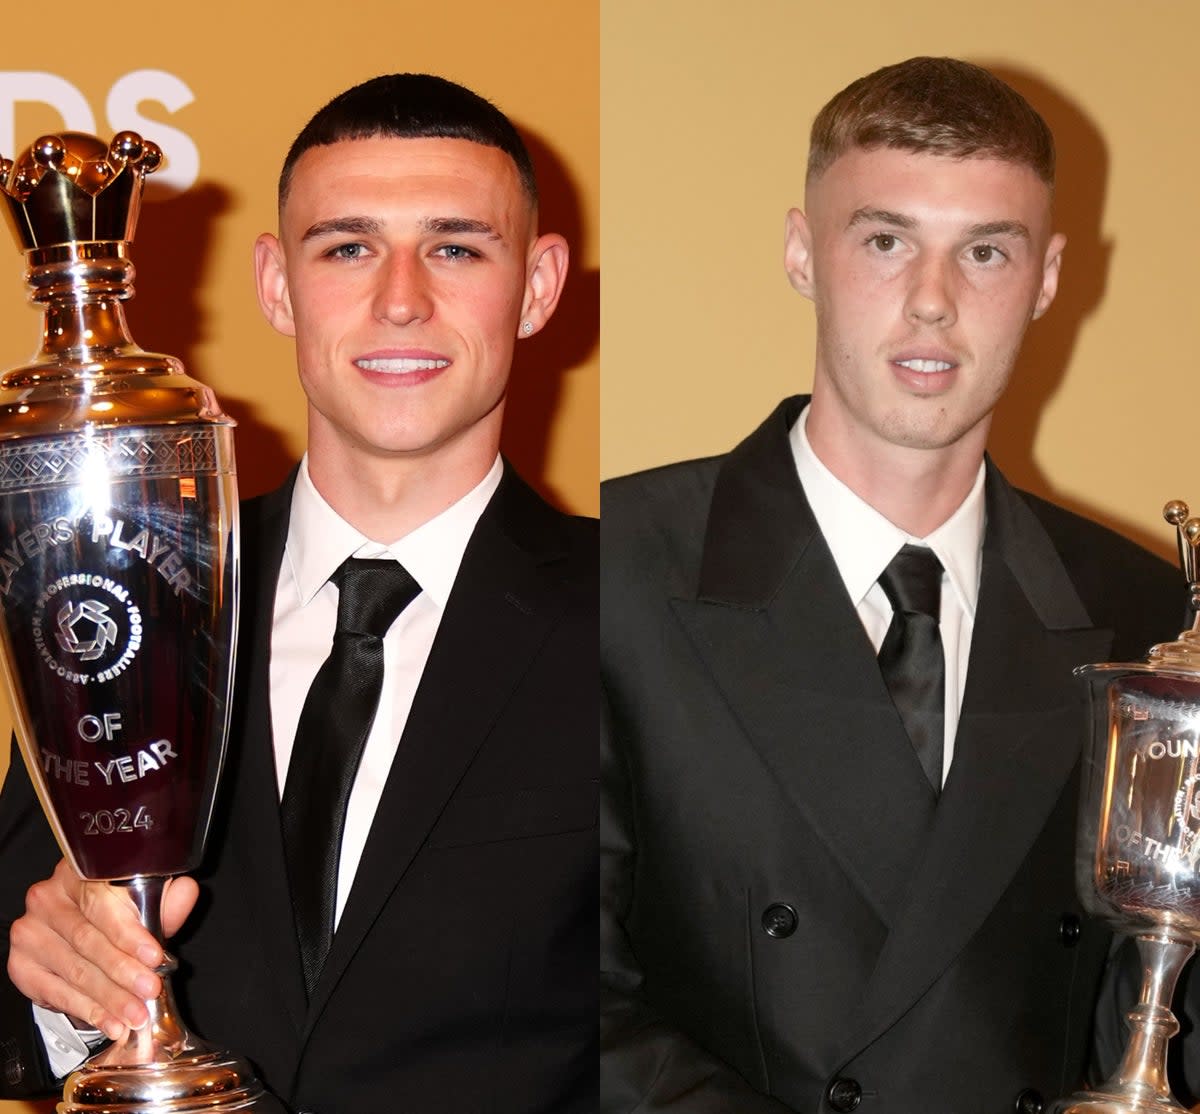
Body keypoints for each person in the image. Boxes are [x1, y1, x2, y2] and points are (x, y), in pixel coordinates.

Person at [0, 73, 597, 1112]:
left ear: (538, 286)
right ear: (276, 284)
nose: (401, 297)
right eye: (348, 246)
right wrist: (65, 992)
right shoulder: (127, 595)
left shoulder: (644, 623)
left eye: (456, 246)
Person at [601, 57, 1182, 1113]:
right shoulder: (612, 570)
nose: (933, 303)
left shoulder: (1149, 619)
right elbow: (566, 992)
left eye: (986, 252)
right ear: (800, 253)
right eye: (885, 241)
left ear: (1048, 277)